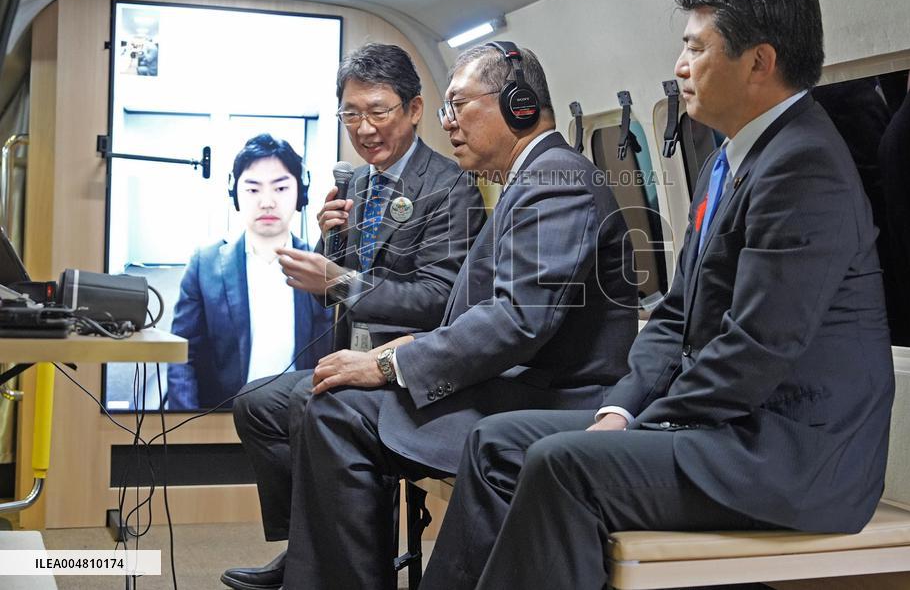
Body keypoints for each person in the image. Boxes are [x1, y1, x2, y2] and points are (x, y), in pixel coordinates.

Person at [419, 0, 895, 590]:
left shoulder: (802, 167)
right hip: (732, 427)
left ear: (759, 61)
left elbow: (757, 347)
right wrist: (620, 406)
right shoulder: (735, 159)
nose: (678, 66)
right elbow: (675, 315)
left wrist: (646, 424)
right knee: (495, 443)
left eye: (695, 47)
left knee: (566, 464)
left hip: (793, 457)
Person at [225, 41, 638, 590]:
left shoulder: (555, 182)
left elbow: (517, 321)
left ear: (517, 106)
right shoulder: (534, 179)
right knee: (332, 407)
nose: (448, 125)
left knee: (337, 410)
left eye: (458, 106)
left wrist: (395, 363)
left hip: (548, 397)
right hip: (515, 384)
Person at [222, 43, 487, 589]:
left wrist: (338, 279)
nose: (363, 128)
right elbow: (338, 289)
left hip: (414, 368)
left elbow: (439, 297)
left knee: (305, 400)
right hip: (354, 355)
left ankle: (340, 564)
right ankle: (307, 547)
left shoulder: (450, 188)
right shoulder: (358, 184)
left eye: (378, 111)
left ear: (414, 111)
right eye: (350, 114)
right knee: (255, 404)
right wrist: (330, 241)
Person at [167, 134, 332, 410]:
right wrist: (187, 433)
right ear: (235, 193)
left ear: (300, 192)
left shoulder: (320, 265)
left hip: (302, 422)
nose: (267, 202)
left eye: (280, 189)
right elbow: (182, 355)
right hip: (220, 422)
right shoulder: (204, 264)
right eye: (253, 189)